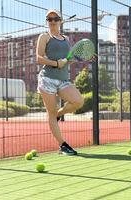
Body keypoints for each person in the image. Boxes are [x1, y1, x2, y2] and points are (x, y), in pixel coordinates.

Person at [36, 9, 84, 155]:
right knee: (50, 113)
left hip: (63, 80)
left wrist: (82, 58)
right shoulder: (44, 36)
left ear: (60, 21)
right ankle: (62, 145)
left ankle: (59, 114)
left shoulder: (66, 39)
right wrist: (57, 63)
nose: (52, 21)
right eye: (49, 19)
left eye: (55, 19)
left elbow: (67, 60)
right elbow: (39, 58)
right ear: (47, 21)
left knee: (78, 101)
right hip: (47, 79)